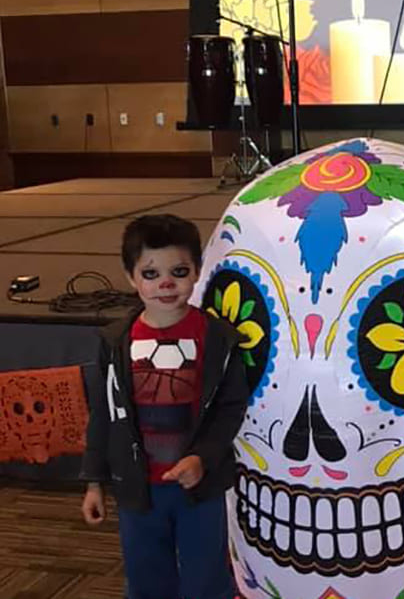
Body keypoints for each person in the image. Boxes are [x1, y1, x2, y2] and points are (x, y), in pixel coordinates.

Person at [79, 214, 248, 599]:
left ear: (197, 272)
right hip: (137, 491)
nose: (166, 283)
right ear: (130, 277)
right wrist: (94, 482)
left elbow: (230, 408)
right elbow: (103, 416)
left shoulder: (219, 339)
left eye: (179, 270)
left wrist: (203, 458)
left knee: (207, 579)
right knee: (146, 580)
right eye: (151, 273)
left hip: (198, 489)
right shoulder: (116, 342)